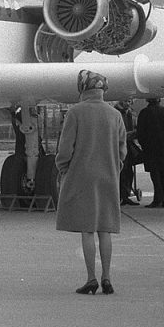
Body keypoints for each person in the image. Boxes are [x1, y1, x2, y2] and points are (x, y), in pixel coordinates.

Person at [56, 70, 127, 295]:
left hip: (81, 176)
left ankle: (91, 278)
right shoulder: (115, 115)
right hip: (108, 175)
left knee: (87, 229)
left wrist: (63, 168)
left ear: (82, 89)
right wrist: (116, 167)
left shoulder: (75, 113)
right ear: (103, 89)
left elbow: (65, 148)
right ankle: (107, 277)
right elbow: (122, 149)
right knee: (104, 229)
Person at [136, 97, 164, 207]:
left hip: (151, 148)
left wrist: (144, 145)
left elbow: (140, 132)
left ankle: (158, 198)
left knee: (155, 175)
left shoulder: (144, 113)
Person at [114, 100, 139, 205]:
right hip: (118, 146)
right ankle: (120, 195)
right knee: (121, 172)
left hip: (127, 145)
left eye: (129, 101)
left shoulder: (129, 114)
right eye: (126, 101)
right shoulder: (116, 113)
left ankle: (126, 194)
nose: (128, 103)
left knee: (128, 172)